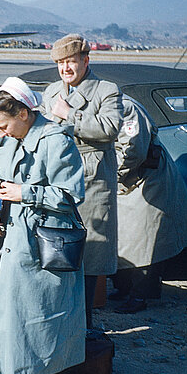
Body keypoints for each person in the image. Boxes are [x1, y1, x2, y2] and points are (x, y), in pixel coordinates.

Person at [0, 78, 86, 374]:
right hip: (18, 245)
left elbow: (71, 195)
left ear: (24, 114)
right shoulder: (21, 137)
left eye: (4, 125)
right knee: (21, 323)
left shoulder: (55, 140)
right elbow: (15, 180)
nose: (1, 134)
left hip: (40, 249)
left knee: (33, 323)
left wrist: (23, 192)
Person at [40, 33, 123, 329]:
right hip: (57, 177)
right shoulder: (50, 91)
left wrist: (69, 114)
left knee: (89, 253)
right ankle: (62, 322)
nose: (65, 68)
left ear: (85, 60)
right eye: (60, 63)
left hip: (94, 180)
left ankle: (84, 326)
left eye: (70, 61)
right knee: (58, 248)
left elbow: (110, 129)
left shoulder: (106, 90)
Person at [110, 96, 187, 313]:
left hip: (145, 178)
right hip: (126, 181)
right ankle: (125, 288)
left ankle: (140, 295)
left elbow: (133, 150)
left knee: (144, 239)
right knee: (122, 237)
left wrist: (110, 175)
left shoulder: (126, 107)